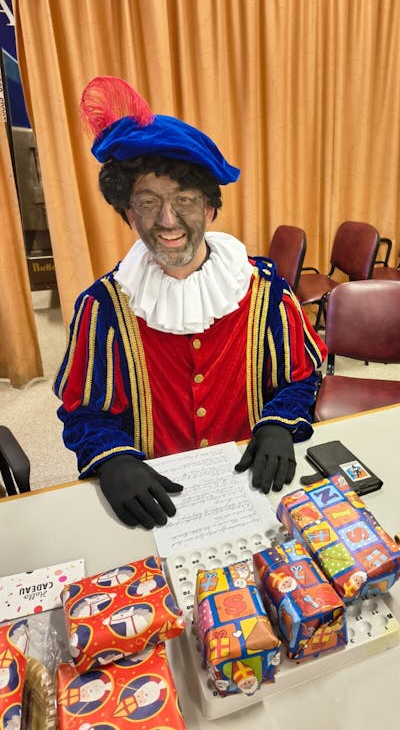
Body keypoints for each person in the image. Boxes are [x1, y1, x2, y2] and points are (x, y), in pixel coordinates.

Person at [54, 76, 326, 530]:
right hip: (156, 497)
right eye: (147, 203)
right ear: (128, 214)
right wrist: (114, 460)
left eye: (184, 200)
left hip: (249, 483)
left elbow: (300, 377)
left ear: (210, 209)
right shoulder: (102, 308)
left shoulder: (264, 291)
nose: (168, 220)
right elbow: (85, 410)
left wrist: (278, 422)